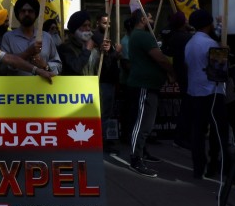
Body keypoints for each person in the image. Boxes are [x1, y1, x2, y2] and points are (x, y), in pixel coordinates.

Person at [126, 9, 175, 178]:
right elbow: (160, 58)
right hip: (143, 86)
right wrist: (172, 71)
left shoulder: (140, 35)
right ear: (142, 19)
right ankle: (135, 159)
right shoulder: (142, 36)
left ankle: (142, 153)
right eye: (150, 16)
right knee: (142, 124)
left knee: (146, 123)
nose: (152, 18)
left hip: (148, 86)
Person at [184, 9, 230, 179]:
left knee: (197, 132)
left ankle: (198, 167)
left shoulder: (190, 44)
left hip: (195, 92)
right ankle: (215, 166)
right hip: (212, 92)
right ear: (208, 24)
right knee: (218, 133)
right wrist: (224, 53)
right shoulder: (210, 44)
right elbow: (220, 72)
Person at [1, 0, 62, 76]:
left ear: (36, 14)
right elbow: (3, 68)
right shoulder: (8, 37)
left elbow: (59, 66)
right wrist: (27, 53)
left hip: (43, 86)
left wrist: (46, 66)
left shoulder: (46, 37)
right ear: (18, 14)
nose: (27, 14)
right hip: (17, 87)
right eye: (23, 11)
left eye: (30, 11)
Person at [160, 11, 193, 149]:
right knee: (188, 106)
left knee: (186, 105)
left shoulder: (171, 37)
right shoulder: (185, 38)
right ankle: (182, 137)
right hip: (188, 74)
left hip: (180, 73)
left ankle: (181, 136)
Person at [92, 12, 122, 152]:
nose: (108, 25)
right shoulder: (98, 37)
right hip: (103, 80)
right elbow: (106, 61)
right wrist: (117, 53)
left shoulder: (106, 37)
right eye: (105, 23)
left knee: (107, 112)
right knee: (104, 113)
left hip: (109, 80)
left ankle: (103, 140)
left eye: (109, 23)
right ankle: (102, 142)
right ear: (98, 23)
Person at [57, 10, 97, 76]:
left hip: (90, 85)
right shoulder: (65, 48)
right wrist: (87, 50)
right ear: (75, 30)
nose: (88, 29)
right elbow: (75, 68)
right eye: (84, 26)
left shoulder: (93, 47)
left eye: (89, 25)